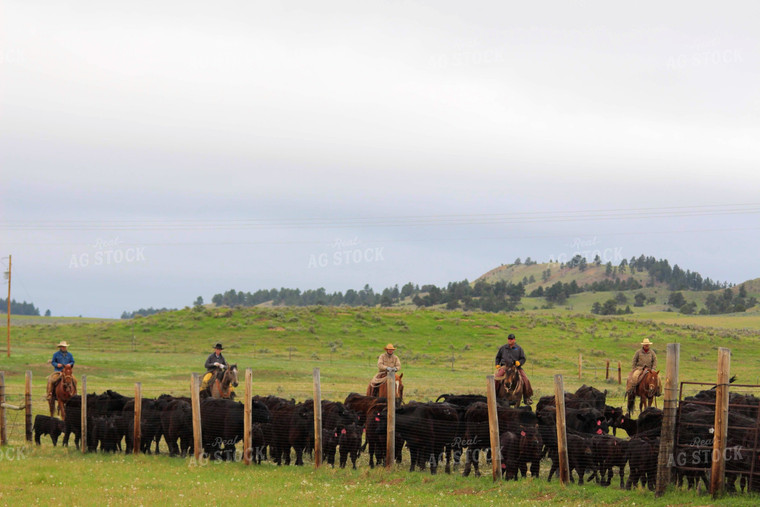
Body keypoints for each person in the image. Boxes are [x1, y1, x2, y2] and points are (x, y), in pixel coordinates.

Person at [495, 333, 534, 405]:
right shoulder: (503, 348)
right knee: (496, 378)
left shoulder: (519, 348)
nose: (510, 340)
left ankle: (527, 397)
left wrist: (519, 362)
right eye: (509, 339)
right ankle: (494, 395)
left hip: (516, 367)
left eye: (511, 339)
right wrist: (497, 364)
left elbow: (523, 358)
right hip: (505, 367)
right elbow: (498, 357)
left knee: (525, 379)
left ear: (514, 340)